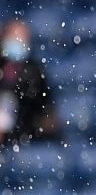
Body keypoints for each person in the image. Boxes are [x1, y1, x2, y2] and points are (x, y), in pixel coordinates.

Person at [0, 18, 57, 147]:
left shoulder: (34, 71)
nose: (19, 42)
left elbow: (46, 112)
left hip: (27, 137)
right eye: (15, 38)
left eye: (23, 39)